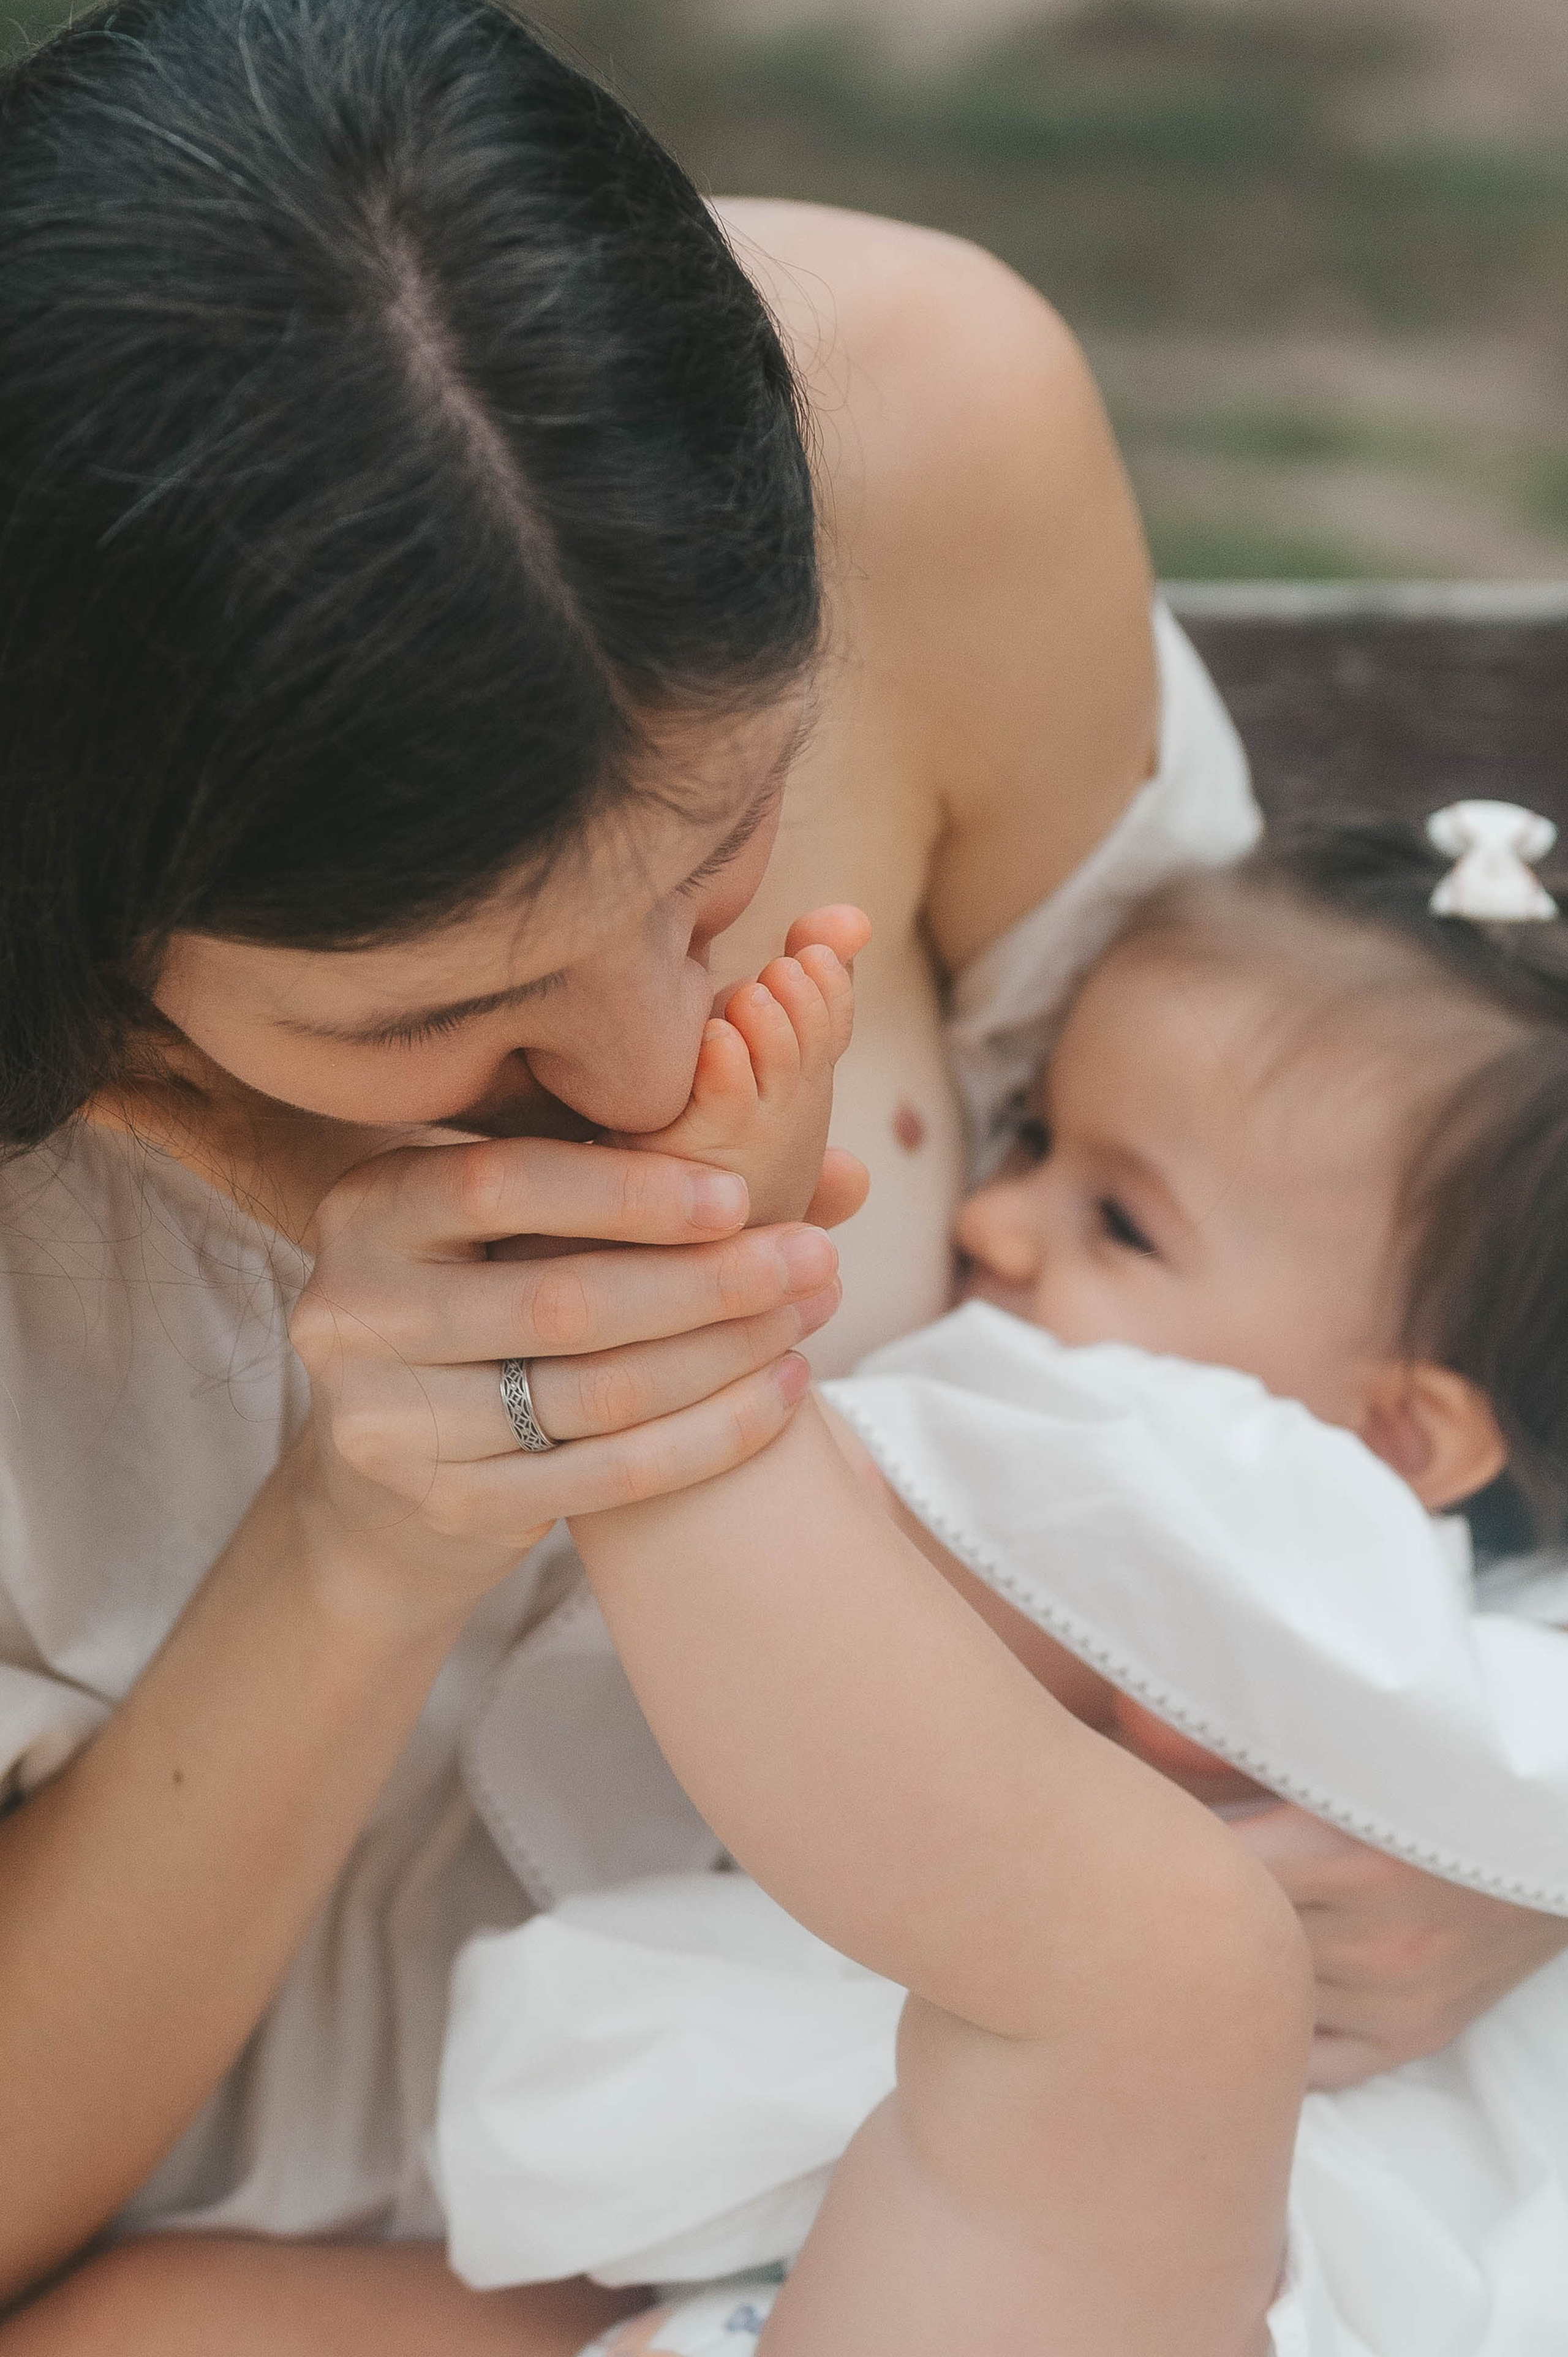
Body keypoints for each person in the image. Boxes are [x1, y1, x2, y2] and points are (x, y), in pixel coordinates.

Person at [0, 0, 1557, 2345]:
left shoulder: (923, 439)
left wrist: (1506, 1814)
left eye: (731, 866)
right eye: (426, 1015)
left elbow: (1388, 1247)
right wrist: (362, 1542)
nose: (653, 1074)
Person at [477, 805, 1566, 2355]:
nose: (990, 1216)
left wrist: (694, 1298)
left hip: (1219, 2264)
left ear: (1401, 1425)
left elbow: (899, 1576)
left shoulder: (1257, 1513)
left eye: (1117, 1219)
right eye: (1033, 1137)